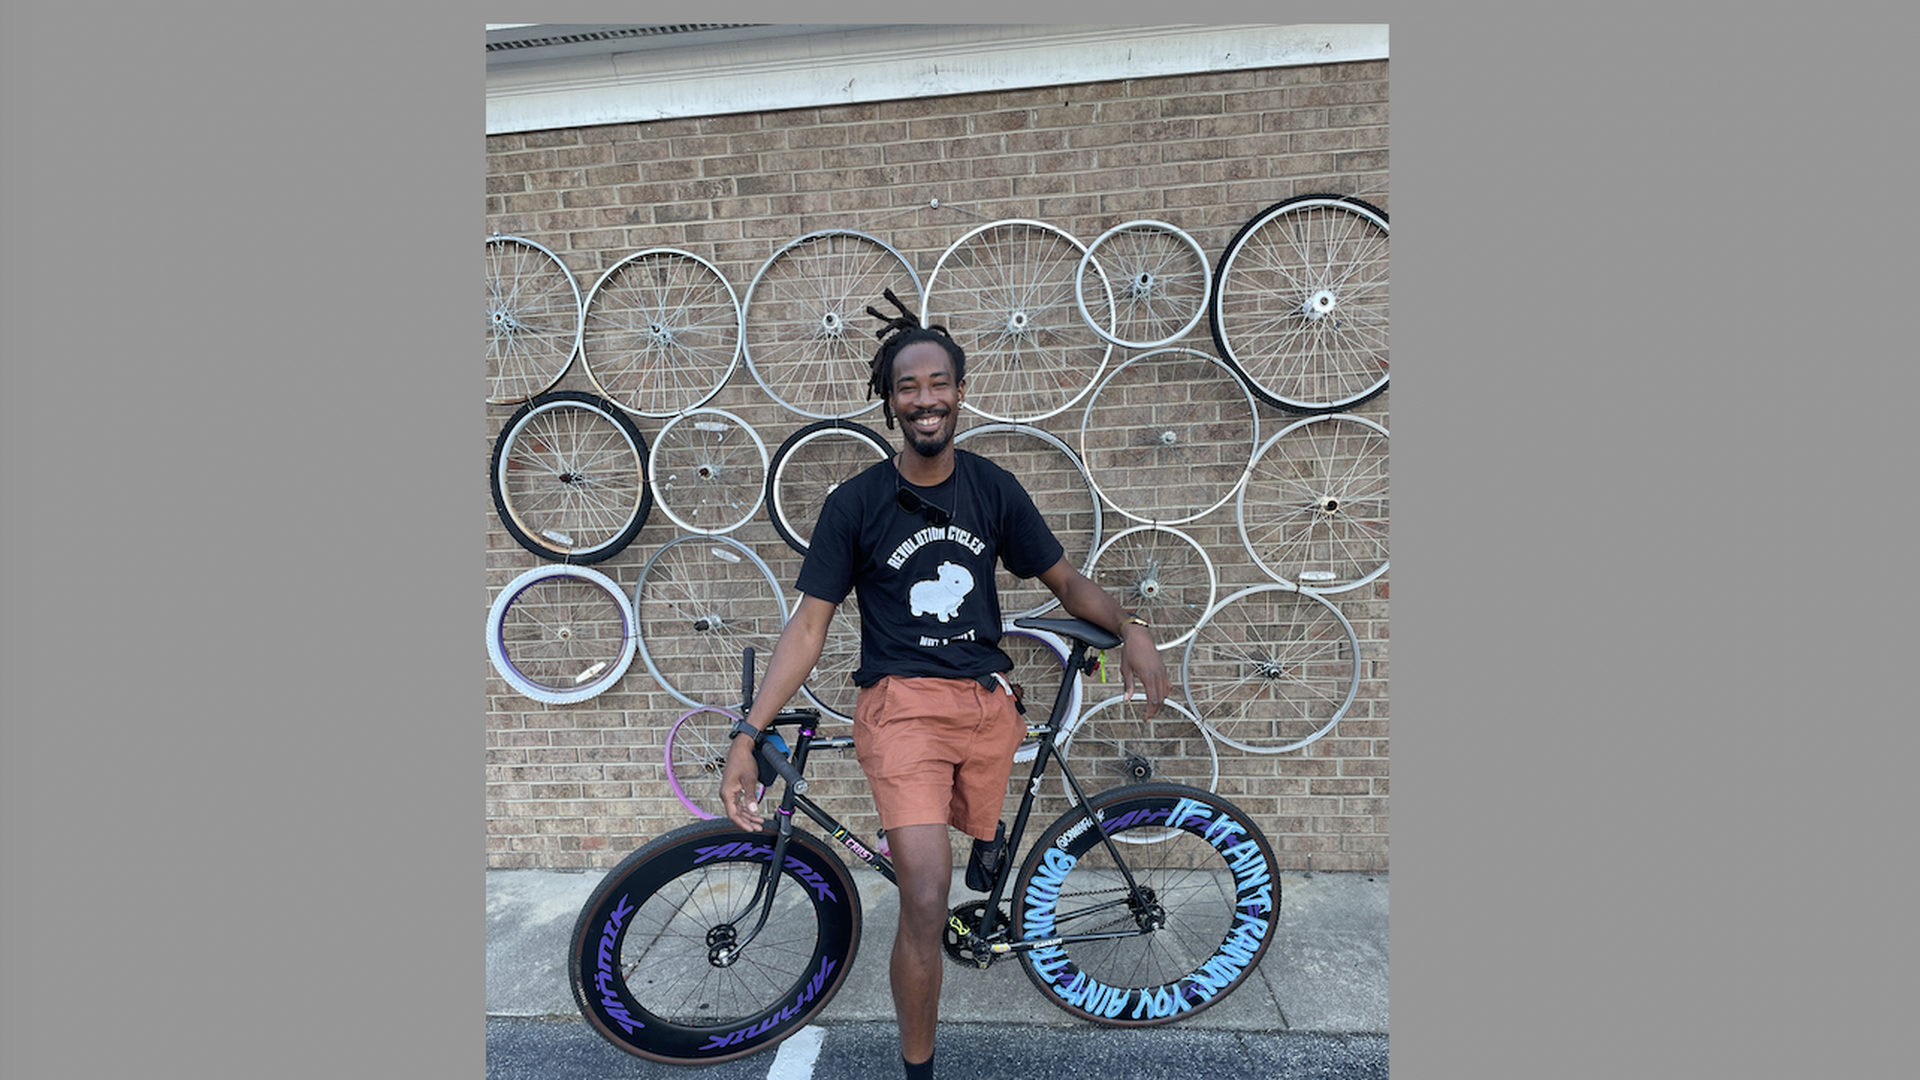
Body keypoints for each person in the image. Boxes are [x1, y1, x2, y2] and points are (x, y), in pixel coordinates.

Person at [720, 291, 1169, 1080]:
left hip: (986, 704)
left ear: (960, 391)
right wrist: (747, 735)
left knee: (981, 840)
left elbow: (1064, 581)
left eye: (938, 383)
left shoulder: (993, 489)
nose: (924, 399)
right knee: (925, 896)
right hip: (902, 711)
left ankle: (988, 847)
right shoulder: (854, 504)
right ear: (888, 401)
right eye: (907, 387)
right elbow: (808, 627)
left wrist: (1130, 628)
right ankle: (920, 1072)